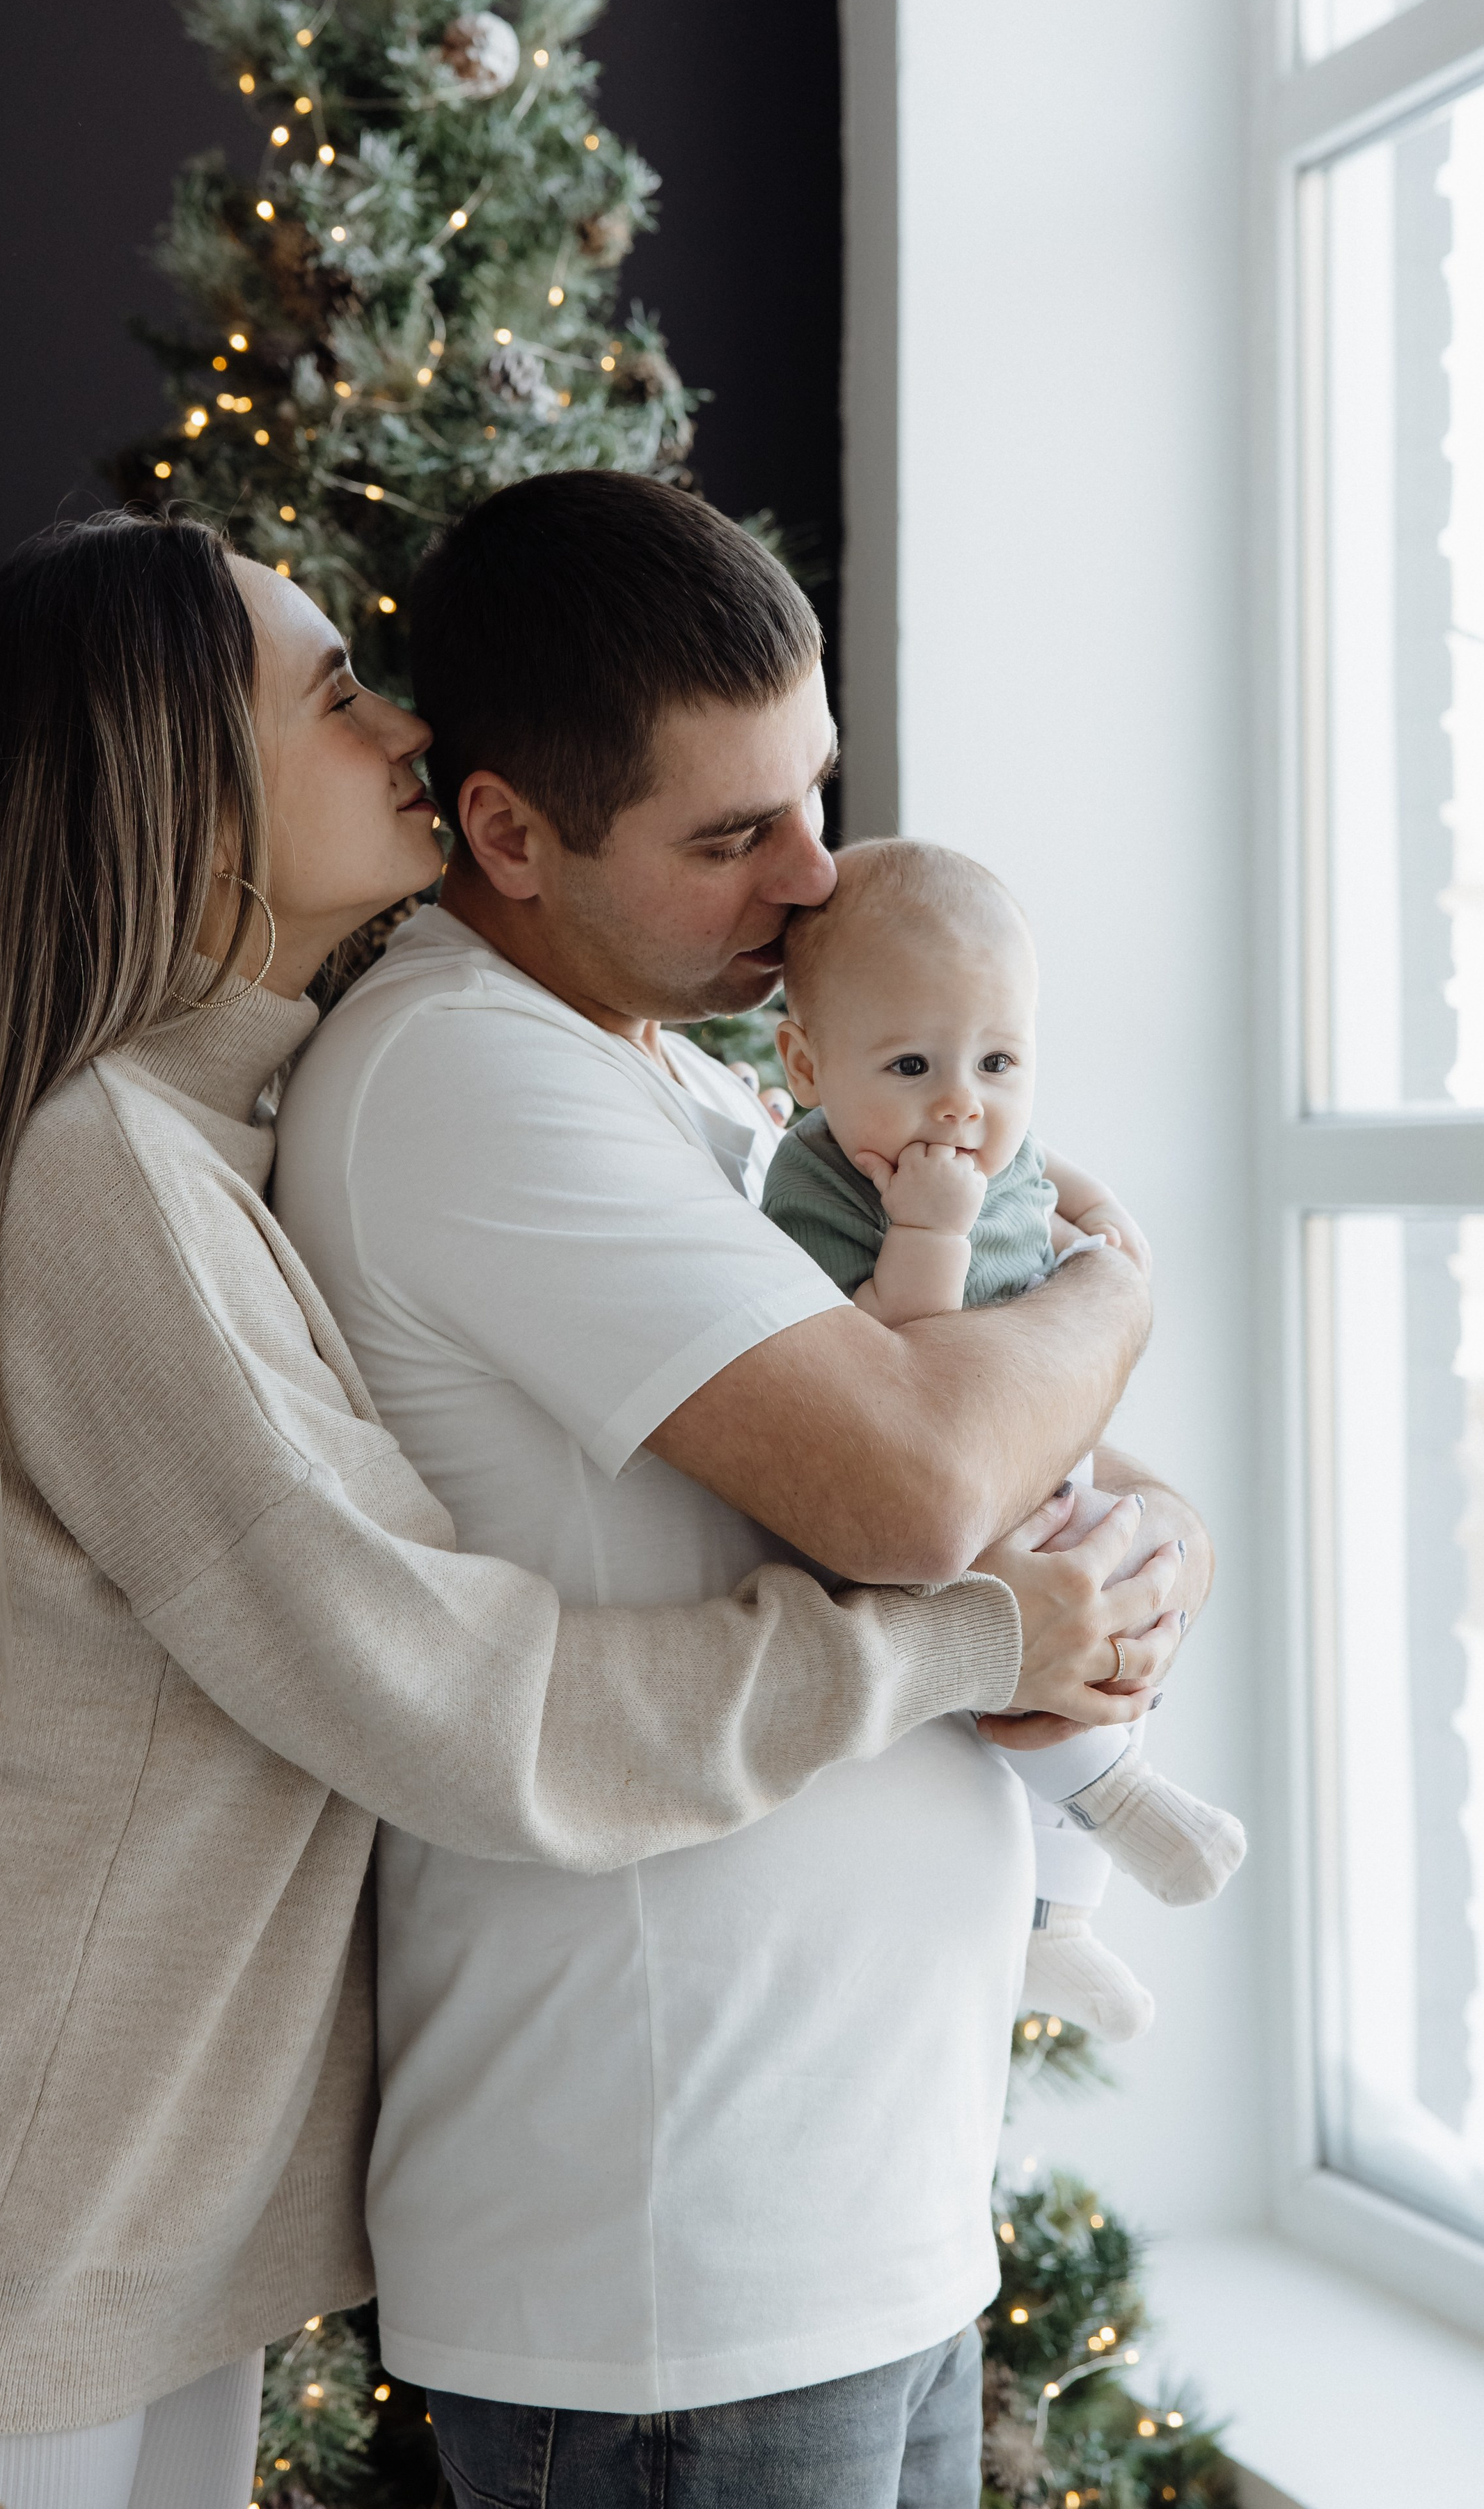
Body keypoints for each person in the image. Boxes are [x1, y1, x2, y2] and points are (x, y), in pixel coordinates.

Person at [0, 511, 1140, 2509]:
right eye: (327, 697)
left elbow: (966, 1422)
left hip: (163, 2211)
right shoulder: (124, 1166)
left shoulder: (255, 1116)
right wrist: (985, 1614)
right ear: (195, 808)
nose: (393, 720)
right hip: (61, 2211)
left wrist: (1077, 1422)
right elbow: (465, 1690)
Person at [274, 470, 1206, 2509]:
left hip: (864, 2210)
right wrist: (1122, 1297)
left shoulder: (697, 1077)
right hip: (674, 2261)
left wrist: (1147, 1546)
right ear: (506, 828)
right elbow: (924, 1481)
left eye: (817, 795)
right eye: (728, 836)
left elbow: (1048, 1454)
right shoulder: (470, 1075)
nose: (813, 885)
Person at [763, 834, 1245, 2045]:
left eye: (999, 1061)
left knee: (1125, 1604)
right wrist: (926, 1232)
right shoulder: (819, 1189)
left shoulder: (983, 1133)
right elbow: (887, 1360)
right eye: (914, 1063)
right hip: (952, 1498)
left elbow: (1037, 1160)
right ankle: (1120, 1802)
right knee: (1042, 1629)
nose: (961, 1104)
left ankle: (1064, 1927)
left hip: (1047, 1458)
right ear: (808, 1064)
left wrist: (1100, 1212)